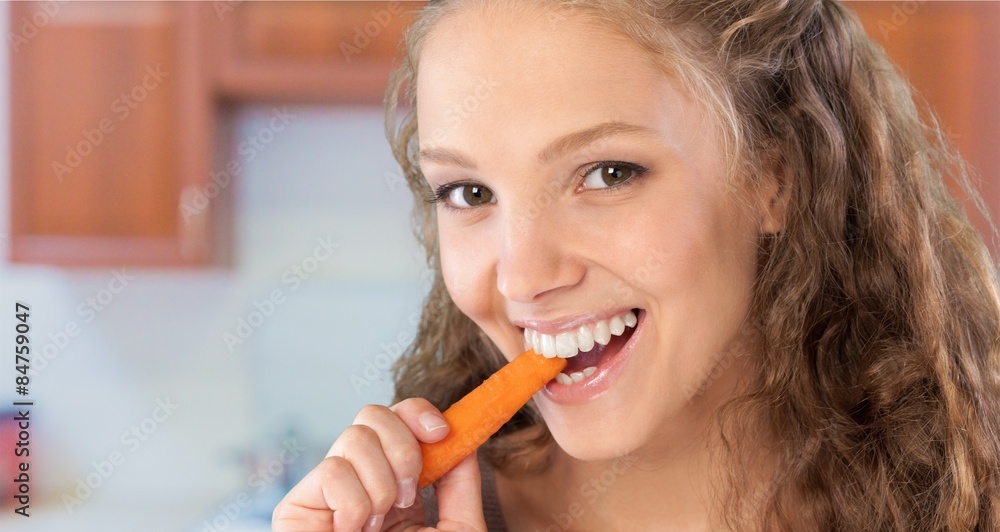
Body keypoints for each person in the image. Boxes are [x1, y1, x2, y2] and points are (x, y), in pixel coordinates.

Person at [273, 0, 1000, 529]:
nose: (523, 277)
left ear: (775, 177)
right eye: (469, 192)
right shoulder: (420, 518)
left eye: (608, 174)